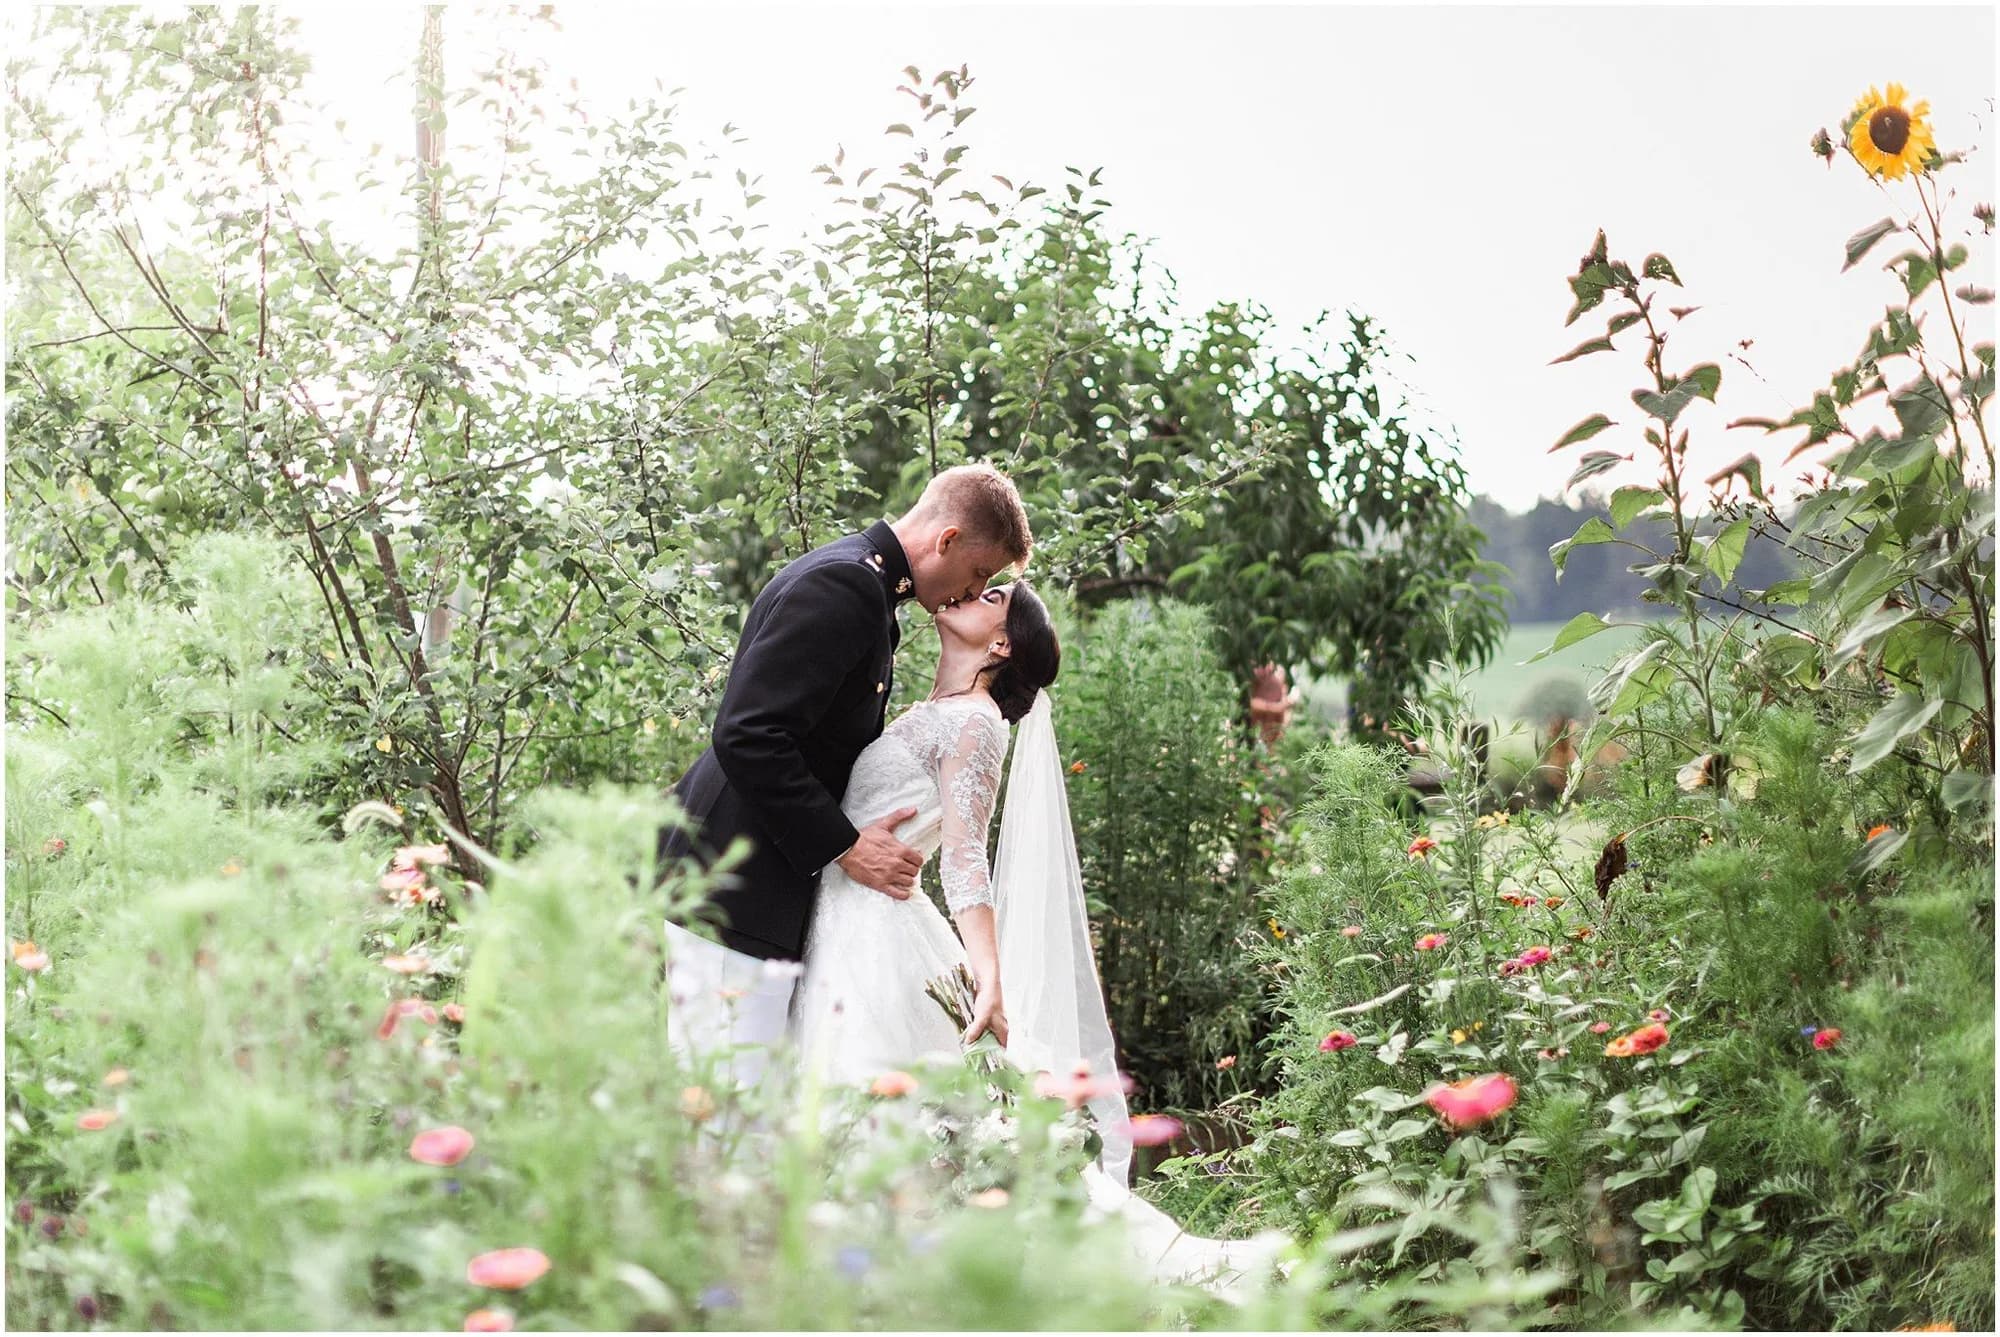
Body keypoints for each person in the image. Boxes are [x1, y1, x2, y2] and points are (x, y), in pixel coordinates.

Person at [792, 579, 1288, 1295]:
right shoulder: (930, 709)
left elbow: (965, 859)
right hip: (848, 919)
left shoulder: (976, 723)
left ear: (1001, 643)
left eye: (992, 595)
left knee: (887, 1112)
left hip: (878, 931)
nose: (968, 591)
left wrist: (987, 976)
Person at [657, 463, 1032, 1091]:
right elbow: (748, 733)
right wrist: (847, 845)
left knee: (747, 1110)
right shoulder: (844, 587)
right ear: (946, 540)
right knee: (724, 1113)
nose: (967, 594)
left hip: (759, 889)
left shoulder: (864, 587)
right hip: (732, 888)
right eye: (976, 575)